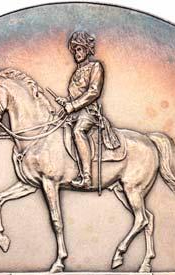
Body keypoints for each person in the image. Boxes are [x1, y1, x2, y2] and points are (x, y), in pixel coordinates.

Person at [56, 31, 104, 189]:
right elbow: (75, 95)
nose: (76, 53)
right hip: (75, 112)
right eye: (75, 50)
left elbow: (94, 92)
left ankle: (86, 177)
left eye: (79, 49)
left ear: (87, 50)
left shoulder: (95, 67)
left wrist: (73, 105)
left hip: (89, 112)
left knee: (78, 131)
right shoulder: (76, 72)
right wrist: (66, 101)